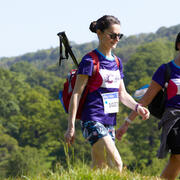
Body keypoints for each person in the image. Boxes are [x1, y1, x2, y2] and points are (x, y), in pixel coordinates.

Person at [64, 15, 149, 173]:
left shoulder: (117, 62)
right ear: (100, 33)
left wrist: (137, 107)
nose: (116, 39)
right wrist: (71, 127)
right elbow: (76, 94)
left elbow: (122, 94)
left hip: (110, 121)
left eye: (119, 36)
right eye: (112, 35)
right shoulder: (90, 61)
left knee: (99, 168)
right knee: (117, 163)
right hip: (92, 120)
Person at [116, 32, 180, 179]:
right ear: (178, 45)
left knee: (176, 161)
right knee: (177, 157)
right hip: (173, 119)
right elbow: (146, 99)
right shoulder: (166, 70)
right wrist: (127, 123)